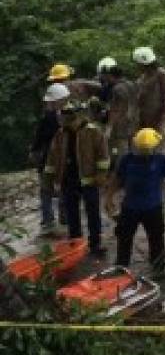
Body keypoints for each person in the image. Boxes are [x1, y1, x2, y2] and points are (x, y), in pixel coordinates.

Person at [113, 127, 165, 276]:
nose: (144, 152)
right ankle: (121, 267)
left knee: (156, 238)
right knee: (124, 237)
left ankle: (158, 267)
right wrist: (109, 197)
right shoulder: (127, 159)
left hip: (152, 207)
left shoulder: (162, 160)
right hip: (130, 207)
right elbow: (117, 179)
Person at [47, 99, 110, 257]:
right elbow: (52, 157)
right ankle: (75, 245)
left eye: (65, 115)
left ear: (75, 115)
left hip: (90, 180)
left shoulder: (93, 132)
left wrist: (101, 174)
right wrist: (49, 178)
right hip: (68, 180)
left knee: (93, 213)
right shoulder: (61, 134)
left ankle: (95, 244)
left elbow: (103, 155)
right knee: (72, 214)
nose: (62, 119)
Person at [31, 82, 69, 233]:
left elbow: (39, 138)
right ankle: (64, 217)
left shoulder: (48, 118)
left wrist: (34, 151)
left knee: (47, 189)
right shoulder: (69, 116)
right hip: (62, 157)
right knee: (63, 187)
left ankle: (48, 220)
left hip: (49, 158)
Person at [133, 46, 165, 136]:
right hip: (144, 123)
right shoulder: (141, 80)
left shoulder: (161, 75)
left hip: (158, 122)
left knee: (159, 148)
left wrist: (163, 123)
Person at [102, 64, 136, 170]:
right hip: (134, 121)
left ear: (112, 76)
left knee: (121, 150)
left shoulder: (117, 89)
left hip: (121, 124)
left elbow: (116, 109)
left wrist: (109, 127)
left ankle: (122, 173)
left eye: (108, 76)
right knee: (133, 148)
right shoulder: (132, 84)